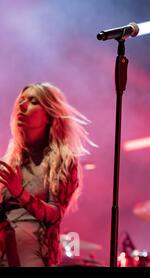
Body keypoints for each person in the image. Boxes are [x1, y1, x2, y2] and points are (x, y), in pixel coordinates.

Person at [0, 83, 94, 267]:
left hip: (35, 258)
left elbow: (54, 214)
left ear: (49, 116)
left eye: (33, 101)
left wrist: (20, 193)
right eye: (21, 100)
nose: (22, 105)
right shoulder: (12, 159)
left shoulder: (64, 159)